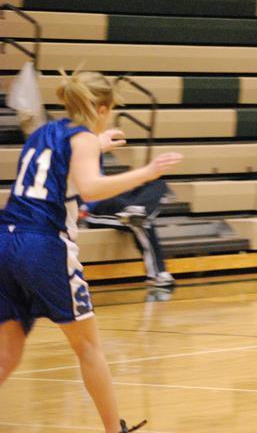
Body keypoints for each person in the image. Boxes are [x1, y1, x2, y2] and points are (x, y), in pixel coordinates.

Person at [0, 69, 182, 433]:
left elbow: (63, 159)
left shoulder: (42, 133)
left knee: (7, 353)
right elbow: (91, 188)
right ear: (101, 108)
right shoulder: (82, 140)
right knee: (88, 348)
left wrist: (98, 143)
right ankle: (114, 430)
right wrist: (147, 172)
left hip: (5, 240)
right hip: (42, 245)